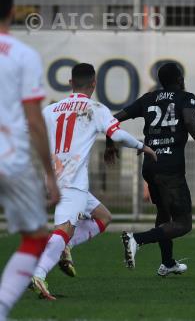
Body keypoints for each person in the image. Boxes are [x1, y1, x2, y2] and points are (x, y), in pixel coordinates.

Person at [30, 63, 157, 300]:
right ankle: (38, 273)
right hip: (73, 183)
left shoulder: (51, 109)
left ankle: (64, 248)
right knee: (63, 229)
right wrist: (143, 146)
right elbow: (117, 134)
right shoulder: (95, 108)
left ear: (70, 83)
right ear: (94, 83)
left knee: (103, 217)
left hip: (56, 179)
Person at [104, 62, 195, 275]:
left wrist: (109, 144)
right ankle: (137, 239)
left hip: (150, 165)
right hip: (170, 168)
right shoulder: (186, 97)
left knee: (164, 213)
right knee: (183, 224)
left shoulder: (148, 98)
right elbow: (190, 121)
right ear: (180, 79)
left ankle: (167, 264)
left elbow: (112, 120)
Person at [0, 0, 60, 318]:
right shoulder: (23, 54)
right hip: (11, 160)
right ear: (11, 11)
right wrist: (50, 175)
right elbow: (35, 121)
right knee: (36, 237)